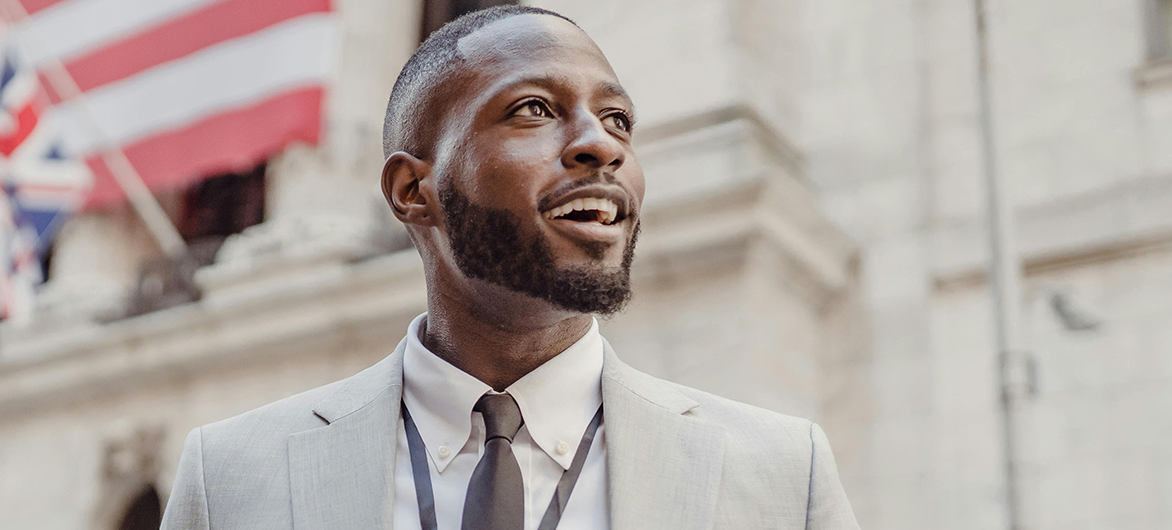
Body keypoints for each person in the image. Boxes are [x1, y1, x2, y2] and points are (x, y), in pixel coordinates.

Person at [158, 6, 859, 530]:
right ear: (412, 191)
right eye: (533, 110)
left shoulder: (779, 475)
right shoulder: (230, 478)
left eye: (617, 120)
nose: (599, 146)